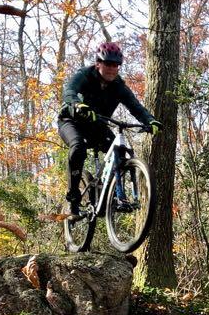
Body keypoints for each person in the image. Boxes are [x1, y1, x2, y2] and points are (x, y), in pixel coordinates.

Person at [58, 41, 162, 217]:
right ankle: (73, 197)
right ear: (98, 63)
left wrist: (150, 120)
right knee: (78, 148)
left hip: (97, 125)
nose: (112, 68)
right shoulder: (85, 75)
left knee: (120, 153)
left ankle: (111, 195)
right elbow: (69, 91)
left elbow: (135, 106)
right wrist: (78, 105)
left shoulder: (118, 86)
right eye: (108, 64)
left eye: (116, 65)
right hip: (71, 121)